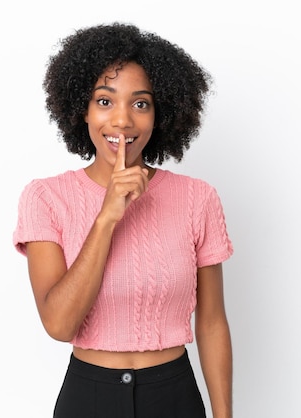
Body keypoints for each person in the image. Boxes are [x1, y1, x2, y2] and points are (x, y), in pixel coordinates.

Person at [12, 22, 234, 418]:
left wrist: (224, 415)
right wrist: (106, 217)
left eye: (141, 103)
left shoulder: (197, 198)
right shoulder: (46, 198)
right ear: (81, 108)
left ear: (160, 113)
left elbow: (213, 321)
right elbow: (60, 324)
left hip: (174, 396)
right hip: (89, 397)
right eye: (105, 101)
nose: (122, 121)